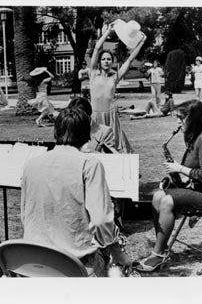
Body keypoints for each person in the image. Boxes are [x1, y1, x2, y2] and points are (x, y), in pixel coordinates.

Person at [21, 108, 132, 277]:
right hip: (75, 263)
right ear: (86, 133)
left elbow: (25, 215)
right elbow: (101, 220)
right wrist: (118, 254)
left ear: (55, 132)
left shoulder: (31, 164)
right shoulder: (90, 164)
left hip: (34, 261)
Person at [136, 100, 202, 272]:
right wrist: (182, 173)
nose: (178, 122)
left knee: (166, 201)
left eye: (180, 118)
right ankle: (160, 249)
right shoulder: (195, 138)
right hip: (201, 191)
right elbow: (197, 172)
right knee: (157, 195)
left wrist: (179, 168)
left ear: (193, 119)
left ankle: (159, 254)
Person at [90, 21, 146, 153]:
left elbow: (130, 59)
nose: (106, 61)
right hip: (95, 116)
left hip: (111, 116)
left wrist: (141, 42)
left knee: (113, 147)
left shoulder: (115, 77)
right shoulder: (93, 73)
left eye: (109, 59)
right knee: (94, 148)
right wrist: (108, 32)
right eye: (103, 59)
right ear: (99, 62)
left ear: (112, 62)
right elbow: (97, 48)